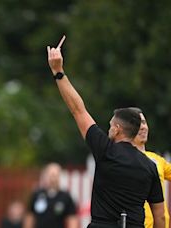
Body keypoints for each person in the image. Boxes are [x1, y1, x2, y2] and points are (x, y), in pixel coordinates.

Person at [46, 36, 165, 227]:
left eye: (111, 125)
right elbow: (159, 216)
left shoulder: (106, 150)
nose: (108, 128)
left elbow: (78, 110)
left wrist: (58, 71)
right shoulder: (149, 166)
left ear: (117, 129)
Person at [130, 107, 171, 228]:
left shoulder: (157, 160)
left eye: (143, 122)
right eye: (137, 124)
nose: (142, 127)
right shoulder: (121, 159)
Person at [24, 163, 78, 228]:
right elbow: (29, 217)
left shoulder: (65, 197)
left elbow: (72, 219)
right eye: (50, 175)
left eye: (55, 175)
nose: (53, 179)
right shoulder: (37, 194)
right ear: (45, 176)